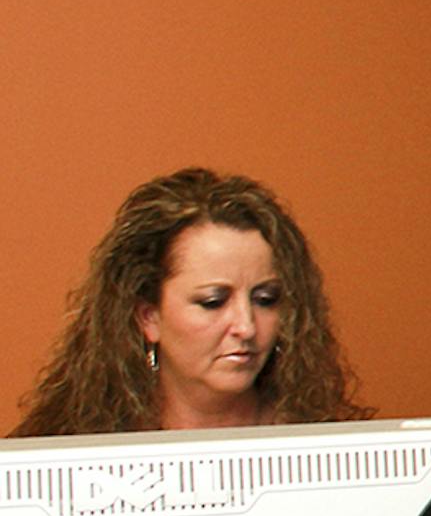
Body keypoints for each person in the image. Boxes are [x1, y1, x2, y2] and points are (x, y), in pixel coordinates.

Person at [12, 169, 367, 437]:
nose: (245, 326)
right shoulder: (75, 448)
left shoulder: (319, 444)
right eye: (213, 302)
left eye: (266, 299)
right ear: (148, 317)